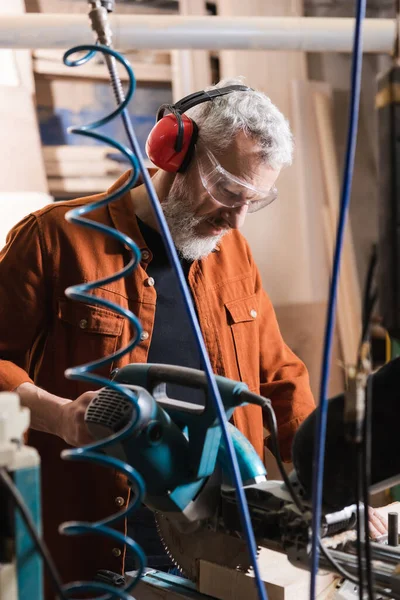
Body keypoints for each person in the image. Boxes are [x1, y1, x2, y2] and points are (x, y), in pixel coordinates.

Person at [0, 78, 317, 595]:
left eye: (252, 200)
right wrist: (58, 415)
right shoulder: (56, 239)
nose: (236, 219)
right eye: (227, 191)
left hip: (213, 548)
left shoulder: (234, 254)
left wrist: (329, 484)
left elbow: (281, 375)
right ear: (174, 151)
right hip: (91, 548)